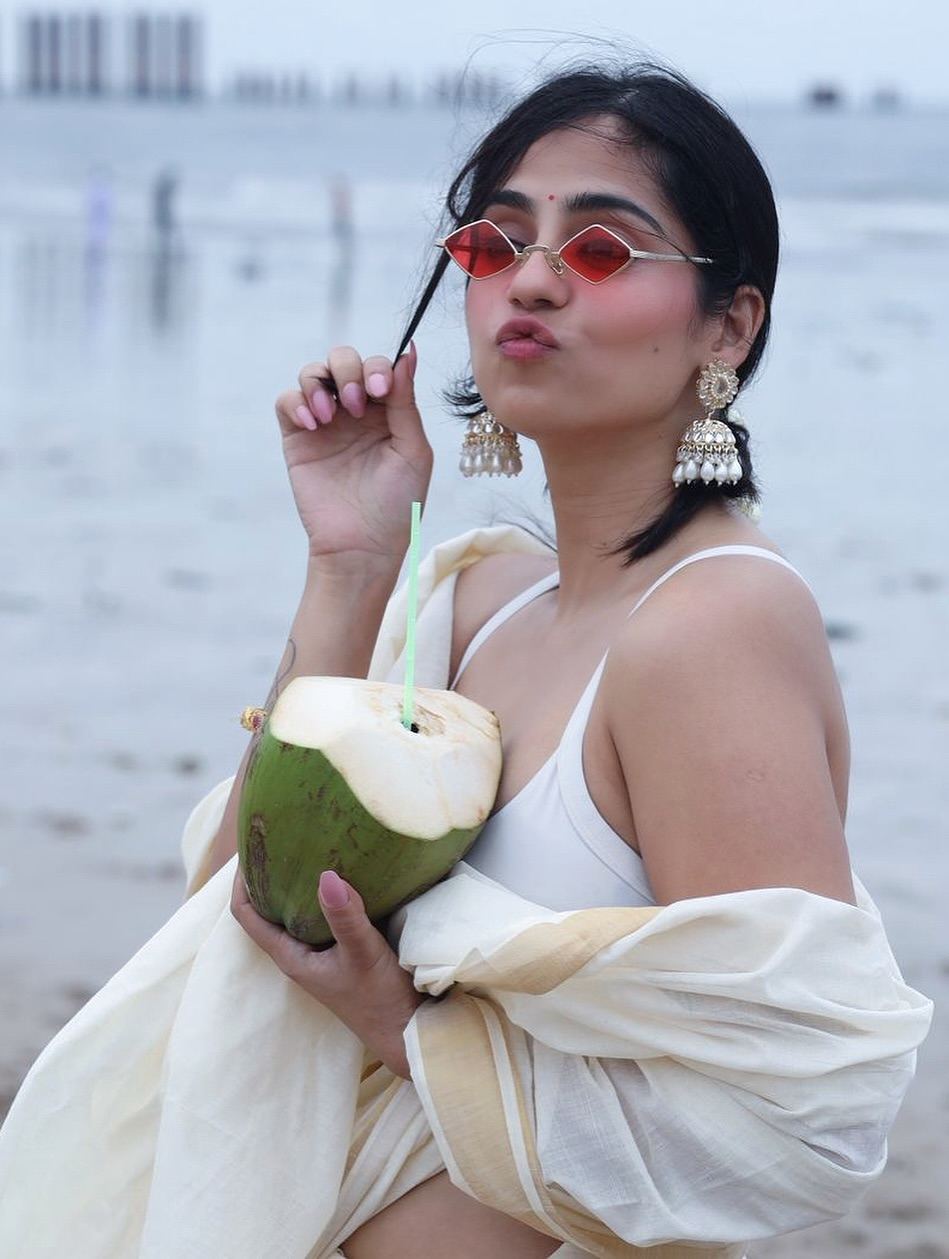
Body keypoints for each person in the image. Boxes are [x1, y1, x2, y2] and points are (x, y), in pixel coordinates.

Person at [208, 57, 871, 1257]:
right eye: (492, 242)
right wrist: (353, 561)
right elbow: (238, 902)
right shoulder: (482, 597)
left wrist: (404, 1028)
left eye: (603, 250)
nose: (531, 279)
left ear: (730, 321)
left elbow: (796, 1121)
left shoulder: (709, 626)